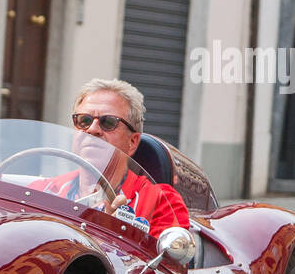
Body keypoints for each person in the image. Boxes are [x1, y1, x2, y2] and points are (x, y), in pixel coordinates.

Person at [35, 79, 190, 237]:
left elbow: (168, 260)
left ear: (132, 142)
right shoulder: (43, 190)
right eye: (84, 121)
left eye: (108, 122)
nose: (93, 129)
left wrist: (115, 233)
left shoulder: (160, 202)